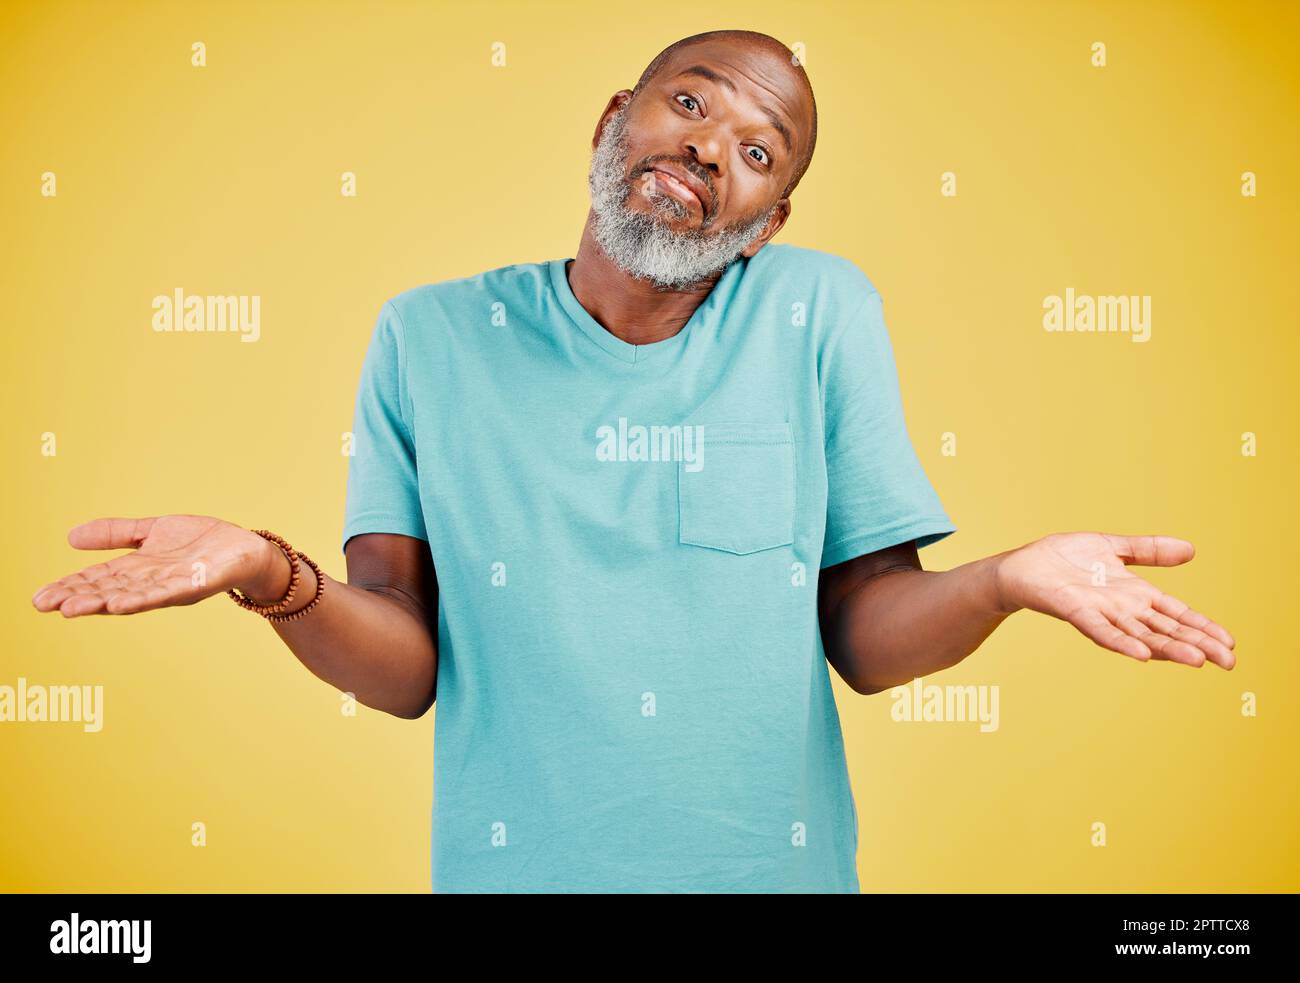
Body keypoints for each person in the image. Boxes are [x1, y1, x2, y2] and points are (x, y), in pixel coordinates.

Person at [31, 30, 1235, 894]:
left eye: (762, 155)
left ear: (764, 226)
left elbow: (863, 636)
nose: (716, 152)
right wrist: (267, 570)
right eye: (694, 106)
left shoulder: (815, 311)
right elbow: (405, 666)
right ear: (613, 121)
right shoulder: (430, 335)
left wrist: (1006, 578)